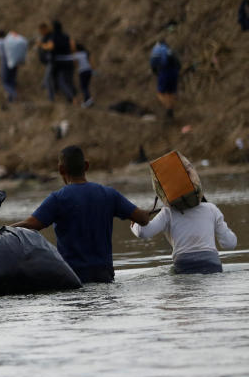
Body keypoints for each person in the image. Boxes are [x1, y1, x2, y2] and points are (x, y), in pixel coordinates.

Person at [12, 145, 152, 284]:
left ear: (61, 169)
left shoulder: (57, 199)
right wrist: (142, 215)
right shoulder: (109, 195)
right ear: (86, 166)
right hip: (105, 277)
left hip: (73, 279)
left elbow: (29, 225)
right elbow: (143, 219)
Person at [130, 161, 236, 274]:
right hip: (212, 266)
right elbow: (230, 244)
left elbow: (144, 233)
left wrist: (135, 222)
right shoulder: (211, 209)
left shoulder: (168, 212)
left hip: (184, 267)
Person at [41, 20, 77, 102]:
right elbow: (73, 47)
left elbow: (50, 46)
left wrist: (42, 45)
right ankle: (72, 98)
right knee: (68, 81)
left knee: (55, 81)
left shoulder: (53, 36)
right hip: (68, 60)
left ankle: (55, 99)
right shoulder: (66, 36)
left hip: (58, 62)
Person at [150, 39, 181, 122]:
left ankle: (169, 109)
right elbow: (179, 64)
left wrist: (156, 72)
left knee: (160, 93)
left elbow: (153, 62)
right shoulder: (169, 49)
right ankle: (171, 112)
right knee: (171, 92)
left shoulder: (157, 49)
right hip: (174, 72)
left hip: (165, 72)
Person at [0, 29, 28, 103]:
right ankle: (10, 100)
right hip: (15, 63)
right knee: (12, 81)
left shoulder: (1, 42)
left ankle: (14, 95)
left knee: (5, 82)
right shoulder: (12, 41)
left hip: (6, 63)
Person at [72, 42, 94, 107]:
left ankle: (88, 99)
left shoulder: (77, 54)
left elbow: (75, 64)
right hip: (89, 70)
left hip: (82, 71)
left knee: (83, 86)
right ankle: (87, 100)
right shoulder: (85, 53)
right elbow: (91, 62)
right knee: (86, 86)